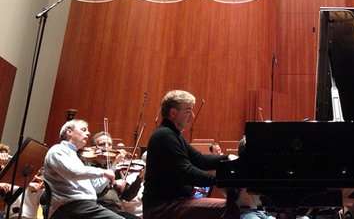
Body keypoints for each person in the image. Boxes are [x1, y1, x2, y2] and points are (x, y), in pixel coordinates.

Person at [142, 90, 238, 219]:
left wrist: (228, 158)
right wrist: (222, 180)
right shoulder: (165, 136)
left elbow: (199, 159)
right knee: (231, 209)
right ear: (173, 112)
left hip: (174, 203)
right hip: (162, 207)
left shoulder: (173, 134)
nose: (192, 116)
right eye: (188, 111)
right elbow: (186, 172)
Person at [42, 119, 123, 219]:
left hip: (84, 206)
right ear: (69, 132)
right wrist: (103, 172)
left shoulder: (78, 158)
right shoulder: (58, 150)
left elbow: (97, 188)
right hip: (69, 206)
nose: (88, 133)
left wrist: (112, 168)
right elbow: (73, 173)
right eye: (83, 129)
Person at [87, 131, 143, 219]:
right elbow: (97, 189)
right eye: (102, 144)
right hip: (98, 209)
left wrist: (140, 177)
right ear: (93, 148)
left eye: (109, 144)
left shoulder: (115, 169)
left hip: (116, 210)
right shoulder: (89, 167)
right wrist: (115, 182)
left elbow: (128, 196)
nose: (106, 147)